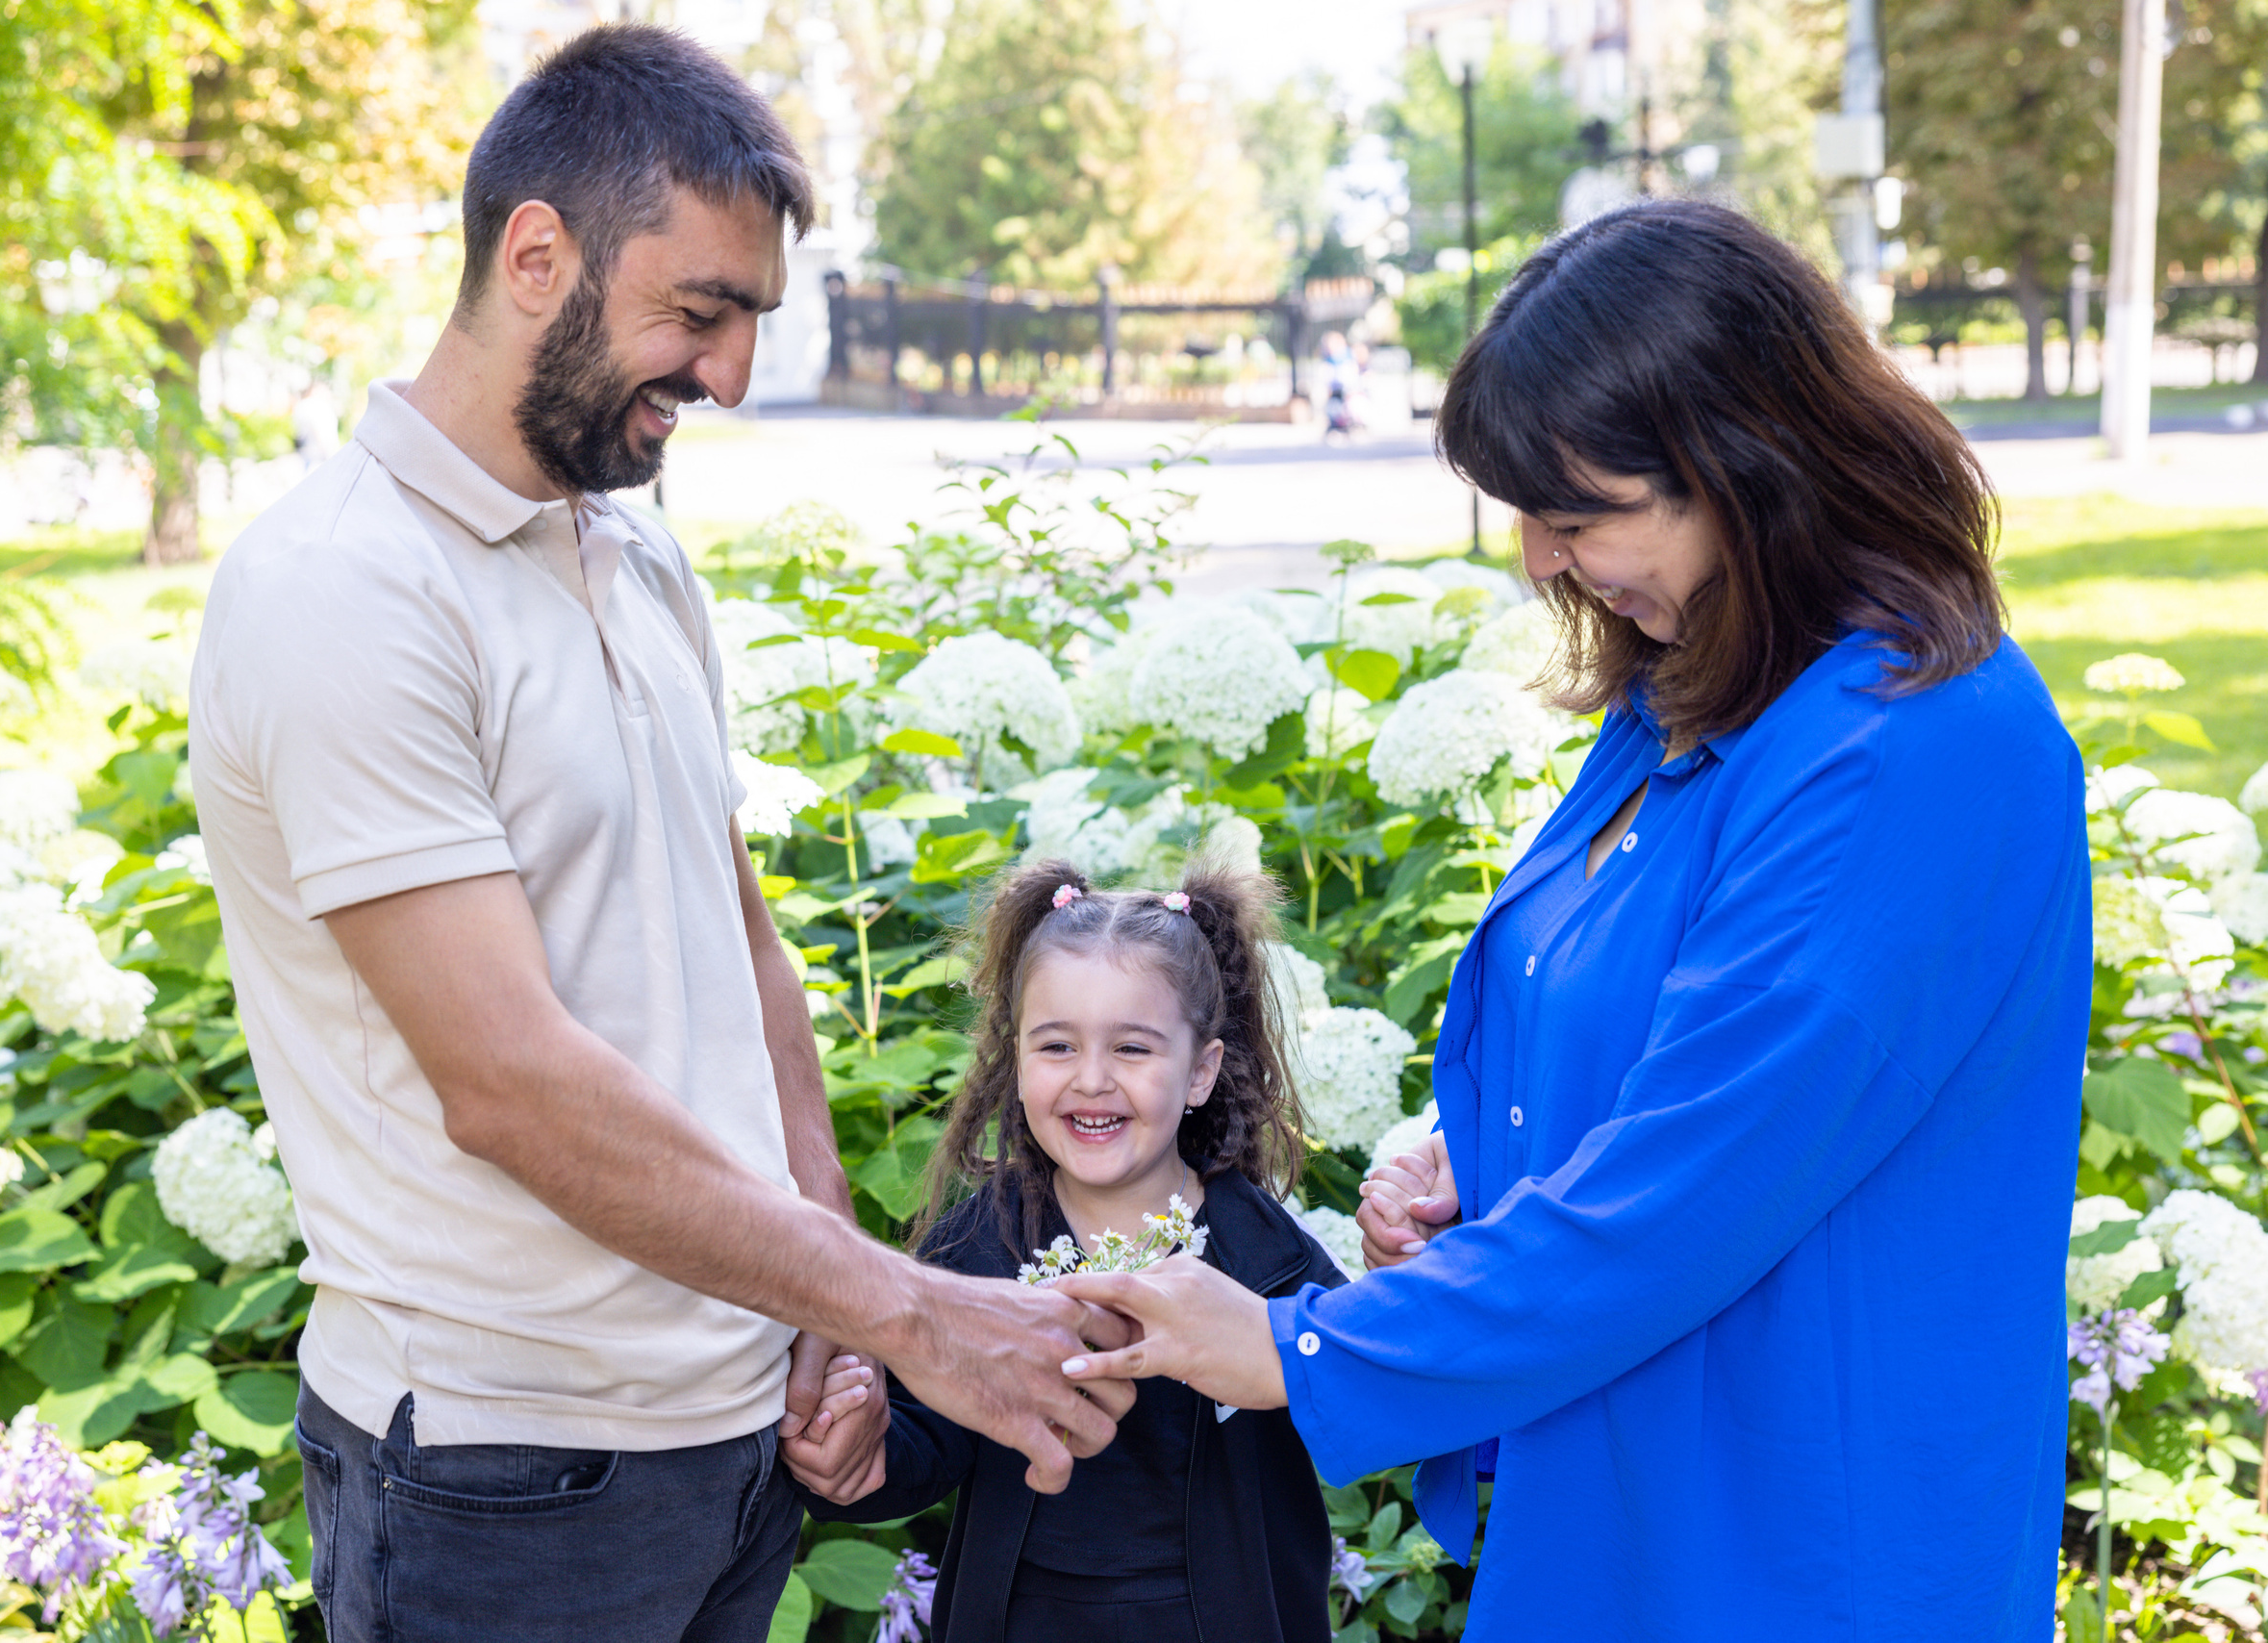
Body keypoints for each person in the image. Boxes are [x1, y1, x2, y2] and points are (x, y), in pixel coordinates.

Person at [189, 26, 1131, 1643]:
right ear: (536, 254)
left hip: (735, 1424)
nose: (731, 375)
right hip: (504, 1478)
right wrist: (909, 1314)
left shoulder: (634, 555)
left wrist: (828, 1308)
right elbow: (511, 1086)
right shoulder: (340, 590)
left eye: (751, 320)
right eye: (698, 313)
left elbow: (741, 948)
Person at [1055, 198, 2091, 1641]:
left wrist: (1299, 1346)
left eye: (1577, 513)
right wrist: (1473, 1155)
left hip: (1797, 1546)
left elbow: (1693, 1182)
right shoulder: (1707, 674)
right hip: (1623, 1486)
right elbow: (1644, 1032)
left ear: (1747, 465)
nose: (1540, 561)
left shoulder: (1911, 750)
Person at [801, 860, 1345, 1643]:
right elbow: (926, 1436)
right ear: (1016, 1058)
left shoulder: (1260, 1249)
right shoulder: (978, 1242)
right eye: (1056, 1046)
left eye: (1132, 1049)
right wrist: (859, 1450)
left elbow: (1344, 1395)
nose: (1092, 1081)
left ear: (1201, 1070)